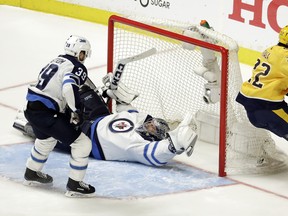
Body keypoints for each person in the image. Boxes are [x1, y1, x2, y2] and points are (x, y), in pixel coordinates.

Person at [14, 82, 198, 167]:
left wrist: (175, 146)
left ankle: (28, 123)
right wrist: (115, 94)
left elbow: (156, 156)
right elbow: (128, 109)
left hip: (88, 138)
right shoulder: (140, 120)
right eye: (153, 122)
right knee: (83, 88)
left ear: (153, 136)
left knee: (52, 130)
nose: (150, 123)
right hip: (101, 116)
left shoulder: (138, 146)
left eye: (153, 127)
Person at [22, 35, 95, 197]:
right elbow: (68, 87)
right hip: (47, 112)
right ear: (78, 52)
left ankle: (31, 172)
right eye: (83, 53)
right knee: (83, 144)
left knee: (46, 139)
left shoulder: (56, 60)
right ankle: (75, 184)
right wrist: (75, 110)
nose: (84, 57)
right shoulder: (77, 66)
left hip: (31, 109)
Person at [236, 25, 288, 140]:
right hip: (268, 107)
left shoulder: (271, 50)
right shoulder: (285, 57)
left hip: (252, 104)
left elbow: (275, 77)